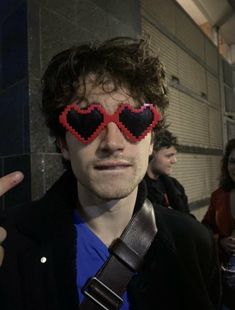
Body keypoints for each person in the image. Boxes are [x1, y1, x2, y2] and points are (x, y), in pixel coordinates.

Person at [0, 37, 221, 310]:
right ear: (63, 144)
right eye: (87, 121)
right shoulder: (10, 244)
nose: (112, 143)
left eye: (133, 119)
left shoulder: (194, 244)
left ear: (151, 140)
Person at [202, 138, 235, 309]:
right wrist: (219, 241)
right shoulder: (219, 196)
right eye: (232, 161)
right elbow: (205, 230)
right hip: (227, 282)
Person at [145, 129, 189, 213]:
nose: (174, 160)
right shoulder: (138, 190)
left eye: (174, 155)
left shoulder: (176, 186)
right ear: (152, 153)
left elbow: (187, 218)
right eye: (169, 156)